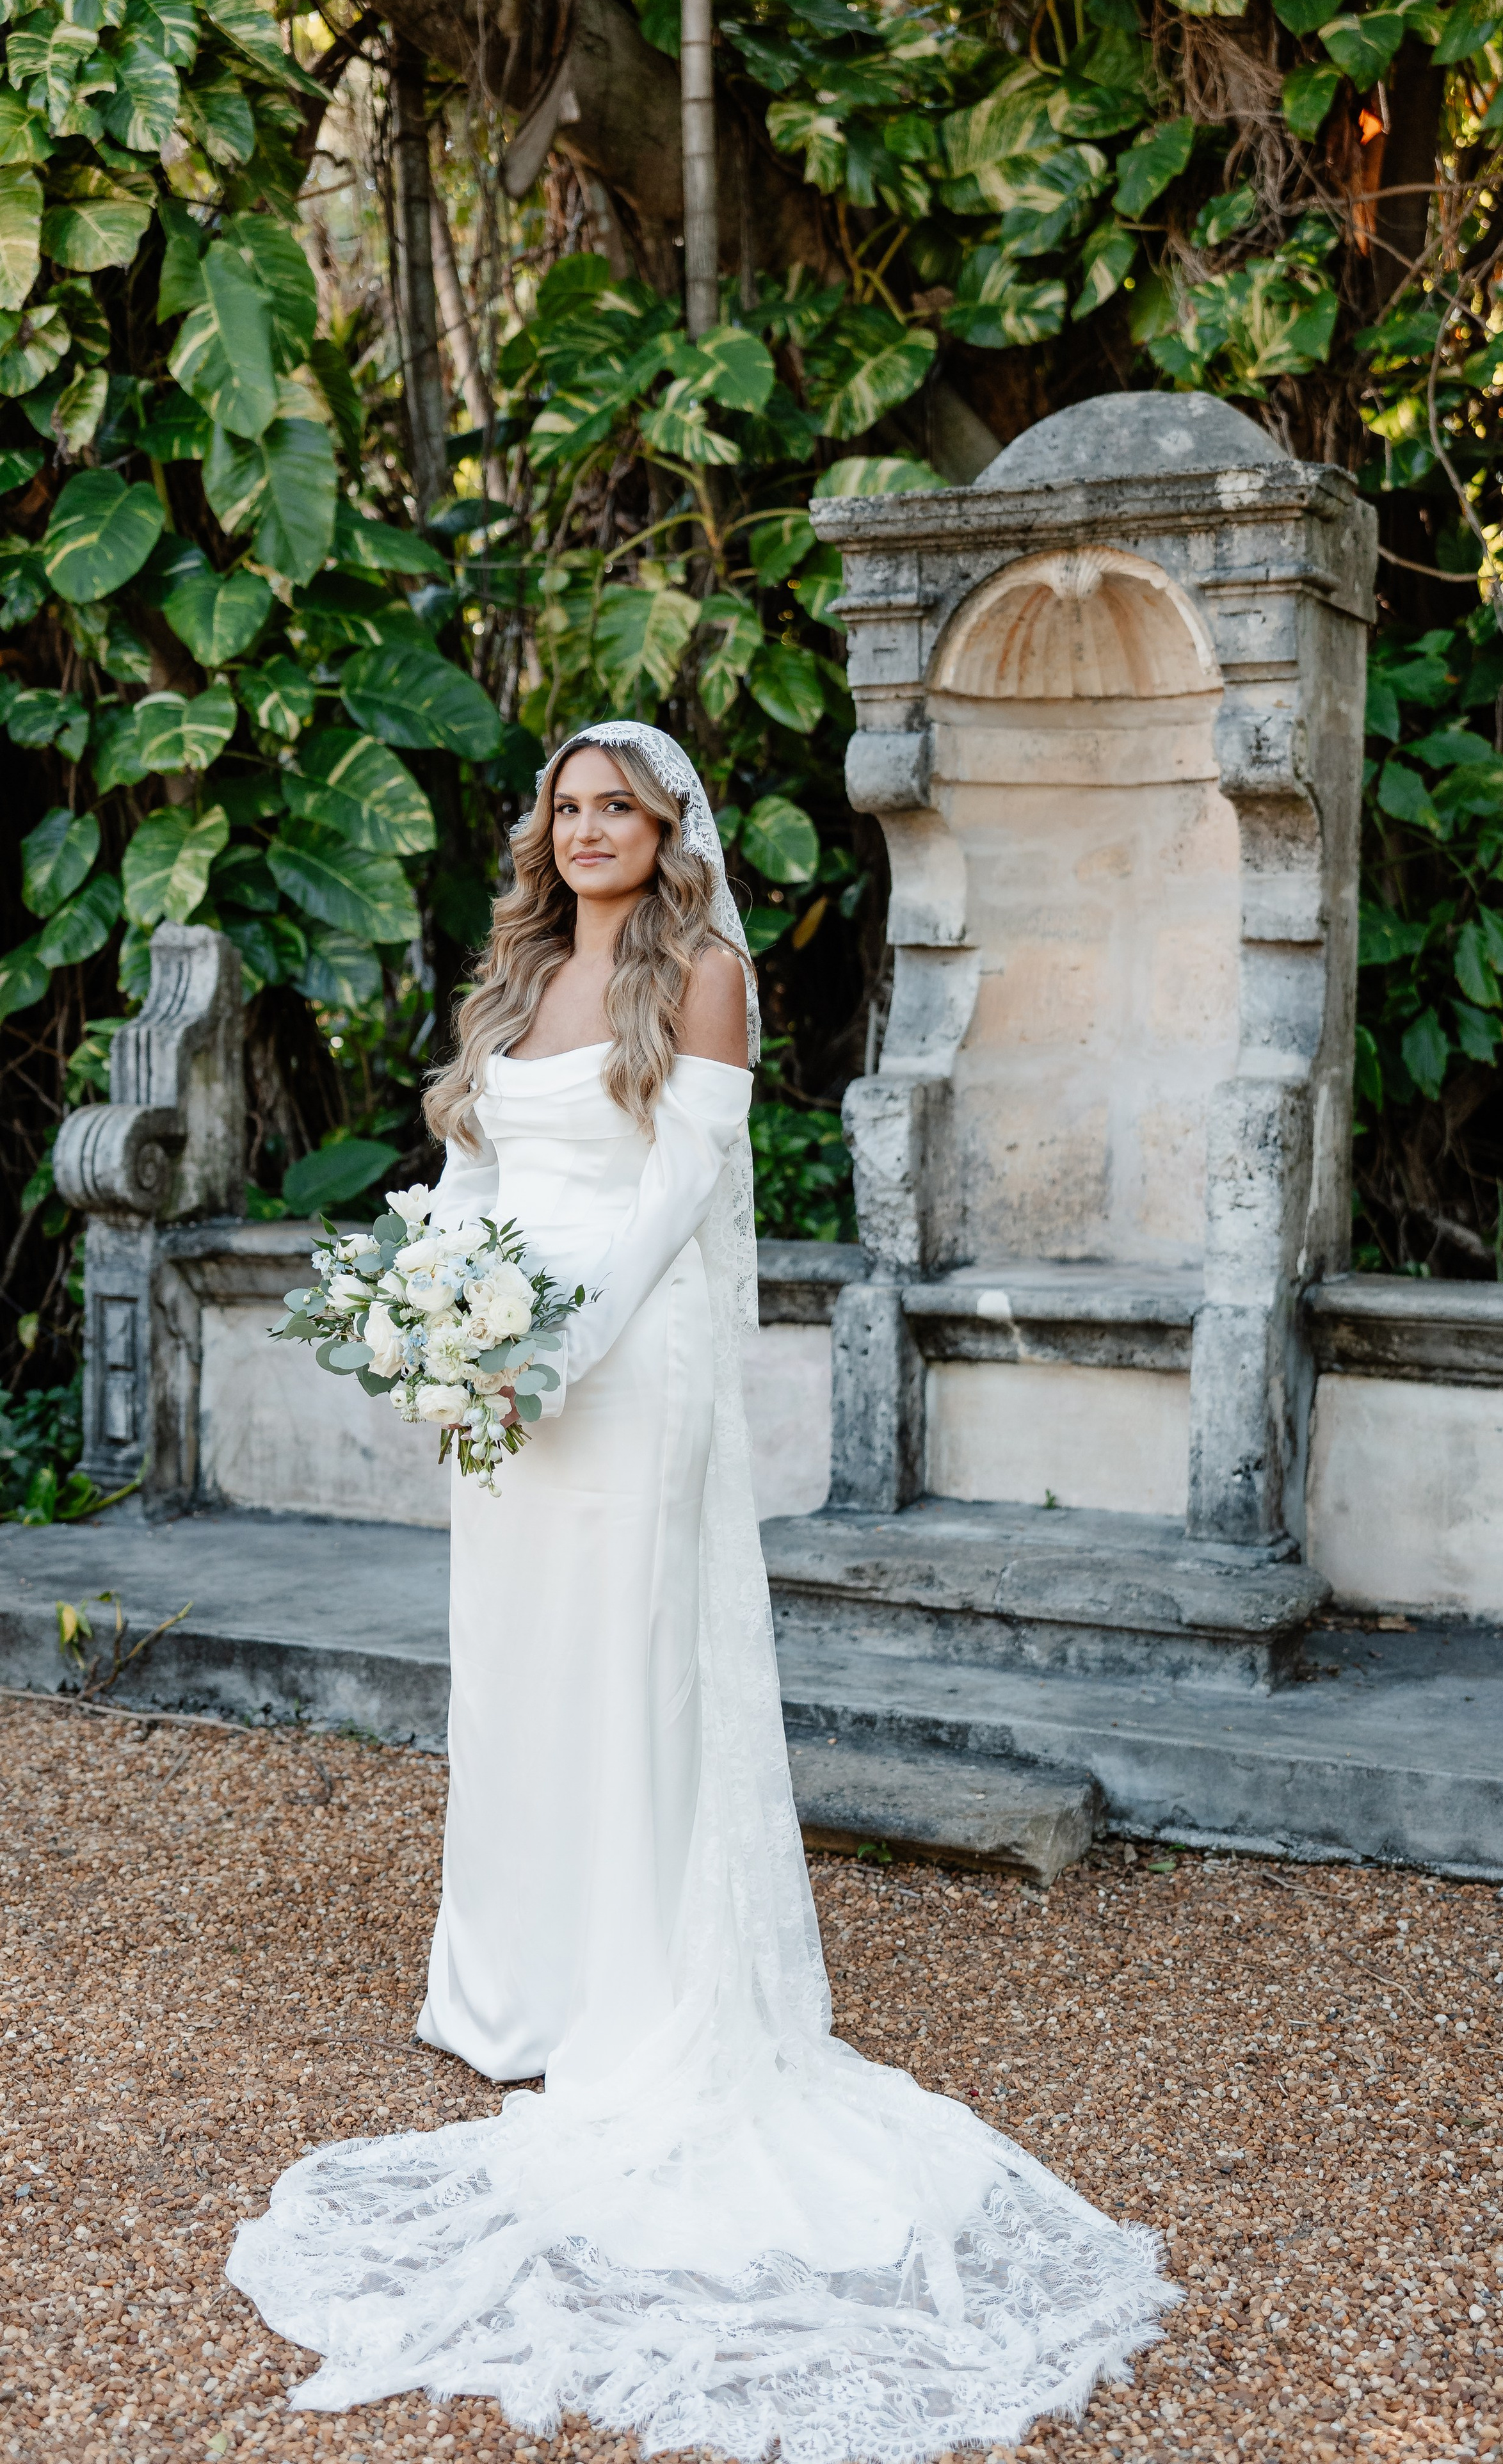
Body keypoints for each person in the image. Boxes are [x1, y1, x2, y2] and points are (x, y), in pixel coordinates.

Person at [227, 721, 1178, 2460]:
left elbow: (677, 1199)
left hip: (624, 1363)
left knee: (627, 1662)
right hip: (500, 1368)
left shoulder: (709, 976)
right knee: (517, 1662)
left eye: (621, 809)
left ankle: (629, 1995)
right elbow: (478, 1171)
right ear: (547, 835)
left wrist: (549, 1344)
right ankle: (506, 1987)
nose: (590, 829)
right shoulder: (519, 979)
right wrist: (435, 1310)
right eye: (569, 808)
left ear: (671, 833)